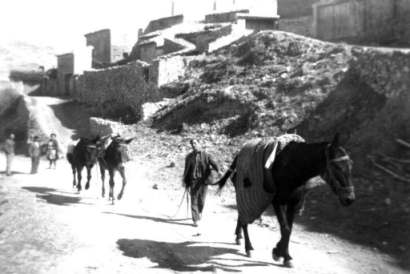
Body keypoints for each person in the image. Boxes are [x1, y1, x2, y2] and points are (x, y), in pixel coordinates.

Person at [183, 139, 220, 227]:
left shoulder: (206, 155)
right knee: (194, 199)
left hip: (203, 181)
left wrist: (215, 172)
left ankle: (199, 212)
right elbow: (186, 170)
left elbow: (215, 165)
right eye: (192, 144)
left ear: (199, 144)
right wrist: (185, 181)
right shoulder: (189, 157)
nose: (193, 145)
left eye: (195, 143)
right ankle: (195, 219)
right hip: (193, 181)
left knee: (202, 200)